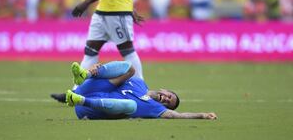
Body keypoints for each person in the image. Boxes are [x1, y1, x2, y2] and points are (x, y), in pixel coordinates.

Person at [65, 61, 218, 120]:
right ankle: (84, 74)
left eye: (168, 103)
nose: (165, 99)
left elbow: (177, 115)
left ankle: (78, 100)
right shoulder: (138, 82)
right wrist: (96, 67)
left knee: (131, 106)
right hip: (88, 88)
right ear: (165, 89)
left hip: (87, 109)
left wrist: (202, 115)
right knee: (129, 68)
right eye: (169, 96)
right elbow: (113, 73)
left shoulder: (154, 108)